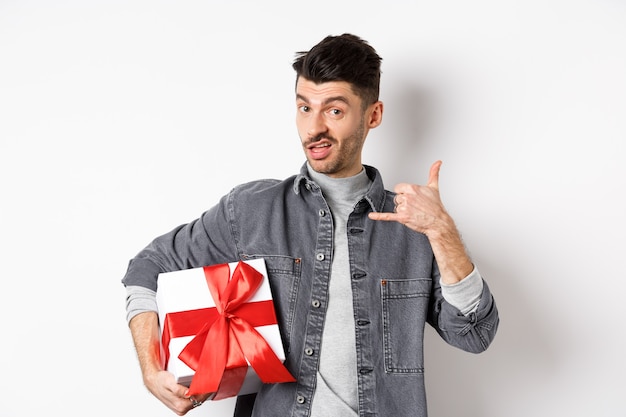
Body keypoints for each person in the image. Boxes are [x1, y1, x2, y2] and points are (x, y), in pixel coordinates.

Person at [122, 33, 499, 417]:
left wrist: (442, 232)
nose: (313, 128)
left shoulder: (414, 226)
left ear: (373, 115)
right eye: (304, 108)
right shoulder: (252, 210)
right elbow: (148, 266)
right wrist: (151, 369)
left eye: (334, 111)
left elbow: (474, 334)